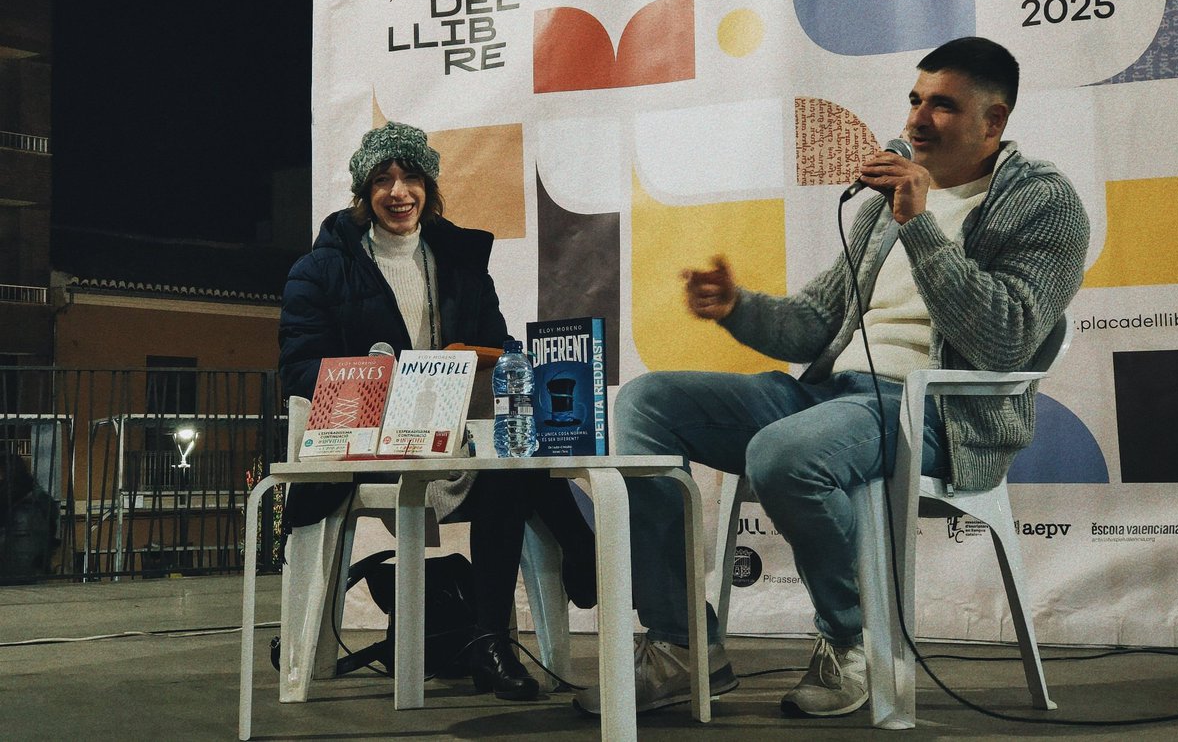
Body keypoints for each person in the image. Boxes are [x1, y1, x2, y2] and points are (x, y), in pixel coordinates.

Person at [574, 37, 1089, 718]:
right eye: (914, 99)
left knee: (782, 452)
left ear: (992, 122)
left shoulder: (1044, 205)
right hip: (834, 395)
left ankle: (851, 643)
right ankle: (682, 644)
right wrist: (739, 307)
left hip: (935, 413)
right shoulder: (890, 196)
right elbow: (819, 320)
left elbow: (1007, 338)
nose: (915, 120)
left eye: (942, 106)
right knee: (647, 401)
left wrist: (922, 225)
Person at [279, 120, 597, 701]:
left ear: (429, 186)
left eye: (410, 177)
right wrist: (378, 372)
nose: (399, 192)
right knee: (513, 477)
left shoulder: (460, 265)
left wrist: (490, 363)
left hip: (453, 442)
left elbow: (502, 352)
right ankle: (580, 553)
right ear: (363, 193)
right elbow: (299, 370)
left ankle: (489, 643)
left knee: (511, 466)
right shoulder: (319, 270)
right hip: (369, 446)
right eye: (383, 180)